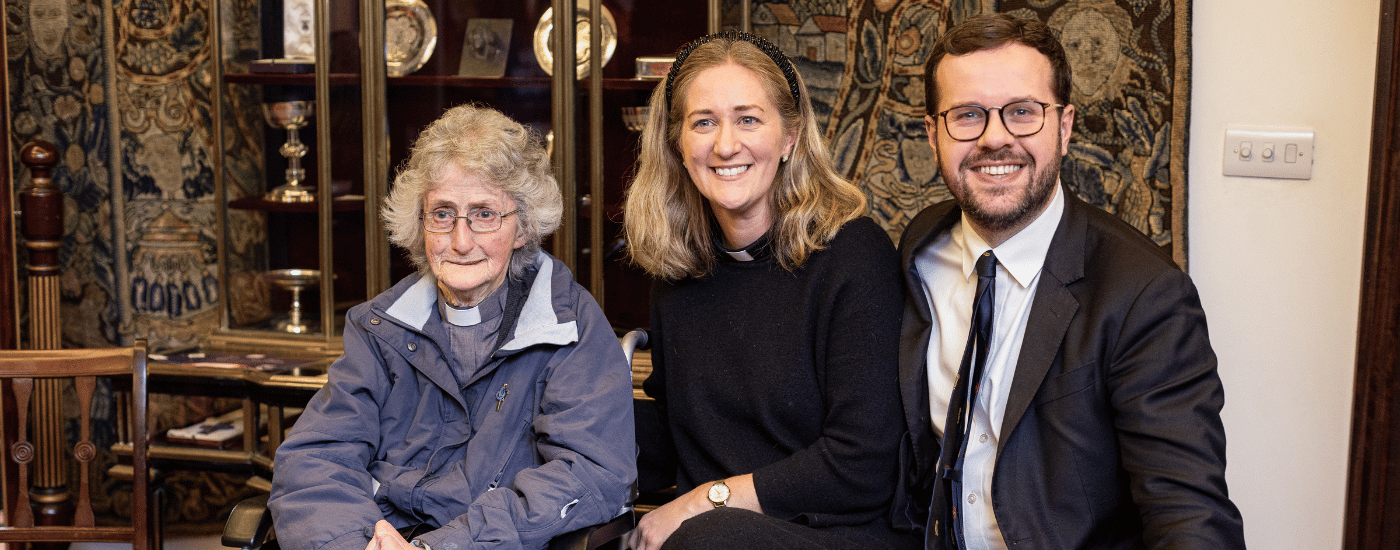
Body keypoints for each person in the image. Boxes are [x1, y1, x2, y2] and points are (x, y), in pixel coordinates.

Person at [895, 13, 1246, 549]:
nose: (995, 138)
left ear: (1064, 127)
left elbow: (1188, 511)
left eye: (1022, 112)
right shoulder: (920, 250)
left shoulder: (1145, 295)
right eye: (967, 115)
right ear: (932, 134)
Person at [268, 104, 637, 550]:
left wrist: (443, 546)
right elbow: (315, 459)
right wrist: (358, 543)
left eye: (484, 214)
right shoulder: (379, 327)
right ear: (420, 223)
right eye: (442, 214)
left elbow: (590, 473)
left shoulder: (570, 327)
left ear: (522, 228)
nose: (461, 242)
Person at [623, 31, 919, 550]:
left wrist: (705, 501)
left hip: (839, 535)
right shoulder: (679, 270)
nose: (725, 145)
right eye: (703, 122)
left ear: (790, 138)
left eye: (748, 119)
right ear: (677, 145)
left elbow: (862, 465)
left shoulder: (854, 256)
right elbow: (669, 440)